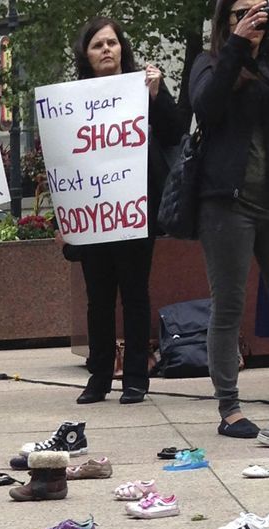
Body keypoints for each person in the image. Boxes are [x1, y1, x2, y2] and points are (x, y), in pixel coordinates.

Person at [72, 18, 182, 405]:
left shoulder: (143, 87)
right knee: (98, 297)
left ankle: (136, 377)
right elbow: (63, 160)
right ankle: (99, 376)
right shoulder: (72, 99)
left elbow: (173, 133)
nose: (106, 49)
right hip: (93, 212)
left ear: (123, 49)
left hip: (135, 208)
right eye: (97, 44)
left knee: (135, 294)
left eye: (112, 43)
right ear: (85, 54)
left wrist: (156, 95)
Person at [191, 0, 269, 437]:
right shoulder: (210, 62)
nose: (251, 19)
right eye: (241, 12)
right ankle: (230, 407)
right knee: (229, 304)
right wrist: (238, 48)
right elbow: (207, 107)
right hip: (227, 203)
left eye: (260, 10)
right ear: (226, 21)